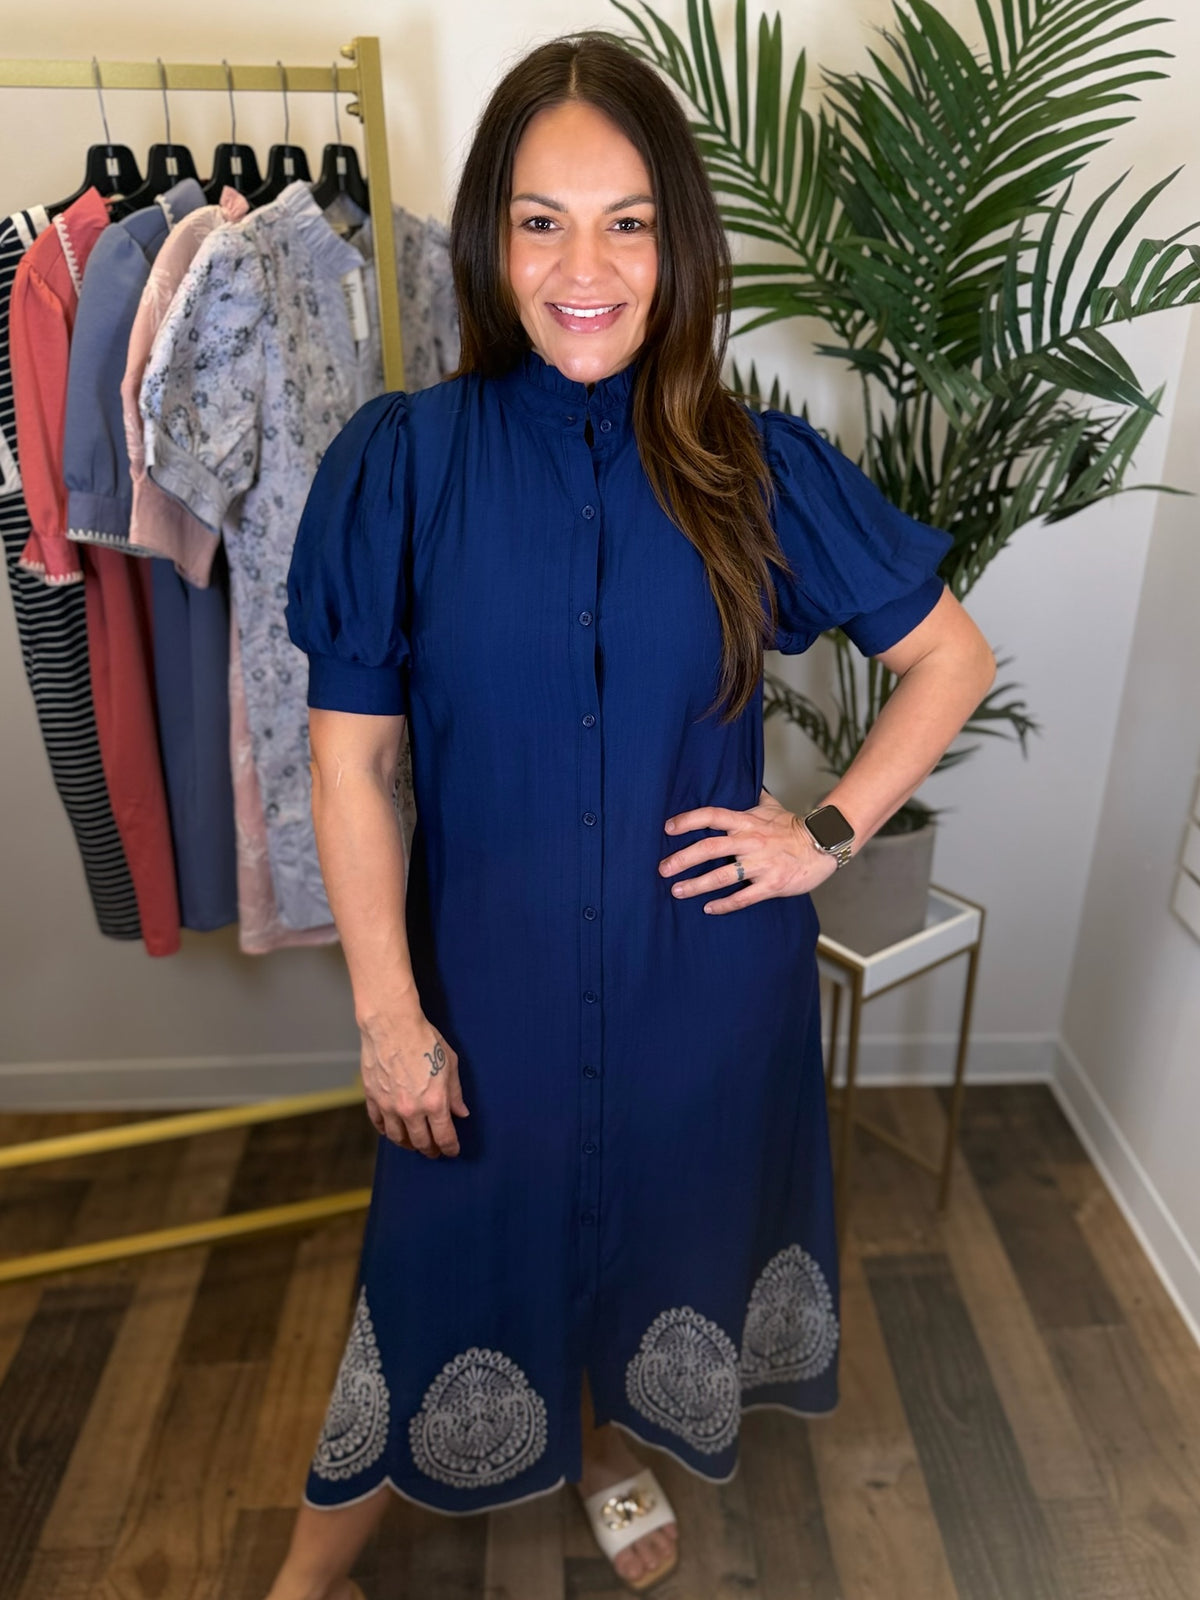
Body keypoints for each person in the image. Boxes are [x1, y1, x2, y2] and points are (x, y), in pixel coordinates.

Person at [272, 31, 995, 1600]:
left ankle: (608, 1452)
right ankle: (307, 1570)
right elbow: (349, 766)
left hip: (703, 998)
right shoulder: (403, 468)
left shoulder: (752, 468)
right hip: (483, 1001)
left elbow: (948, 657)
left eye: (627, 222)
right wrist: (391, 1019)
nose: (582, 267)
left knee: (653, 1249)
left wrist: (826, 832)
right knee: (434, 1279)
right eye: (542, 221)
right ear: (491, 239)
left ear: (679, 241)